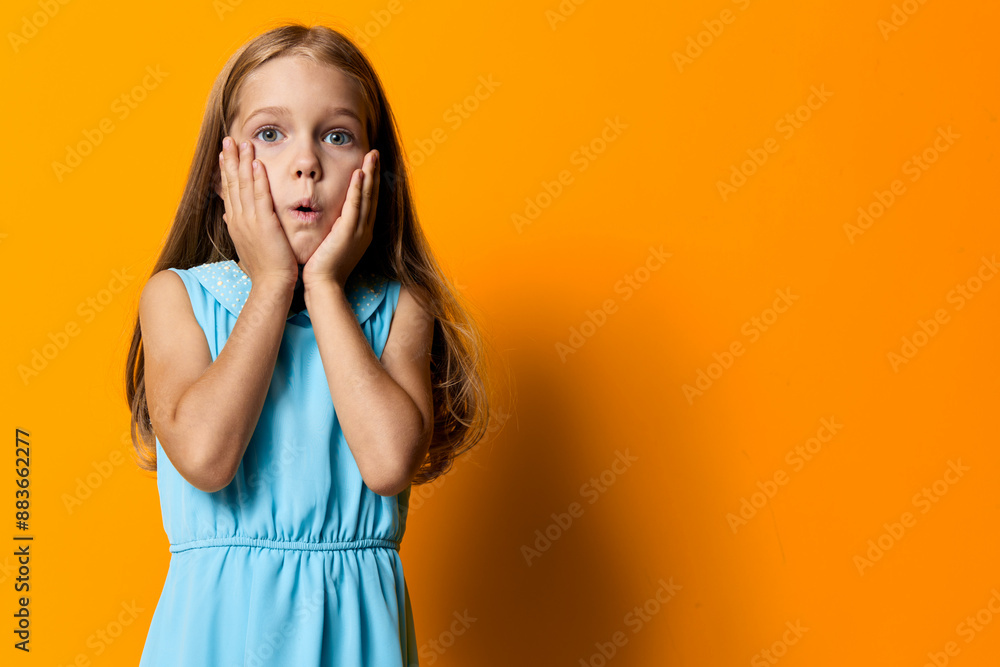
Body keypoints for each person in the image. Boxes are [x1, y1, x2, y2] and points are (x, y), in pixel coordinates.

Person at [122, 22, 500, 666]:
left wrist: (322, 285)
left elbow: (388, 464)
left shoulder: (400, 309)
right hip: (219, 638)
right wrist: (273, 281)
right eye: (271, 134)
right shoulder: (177, 299)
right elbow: (207, 459)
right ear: (221, 174)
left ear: (374, 172)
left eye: (337, 135)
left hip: (355, 639)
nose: (307, 163)